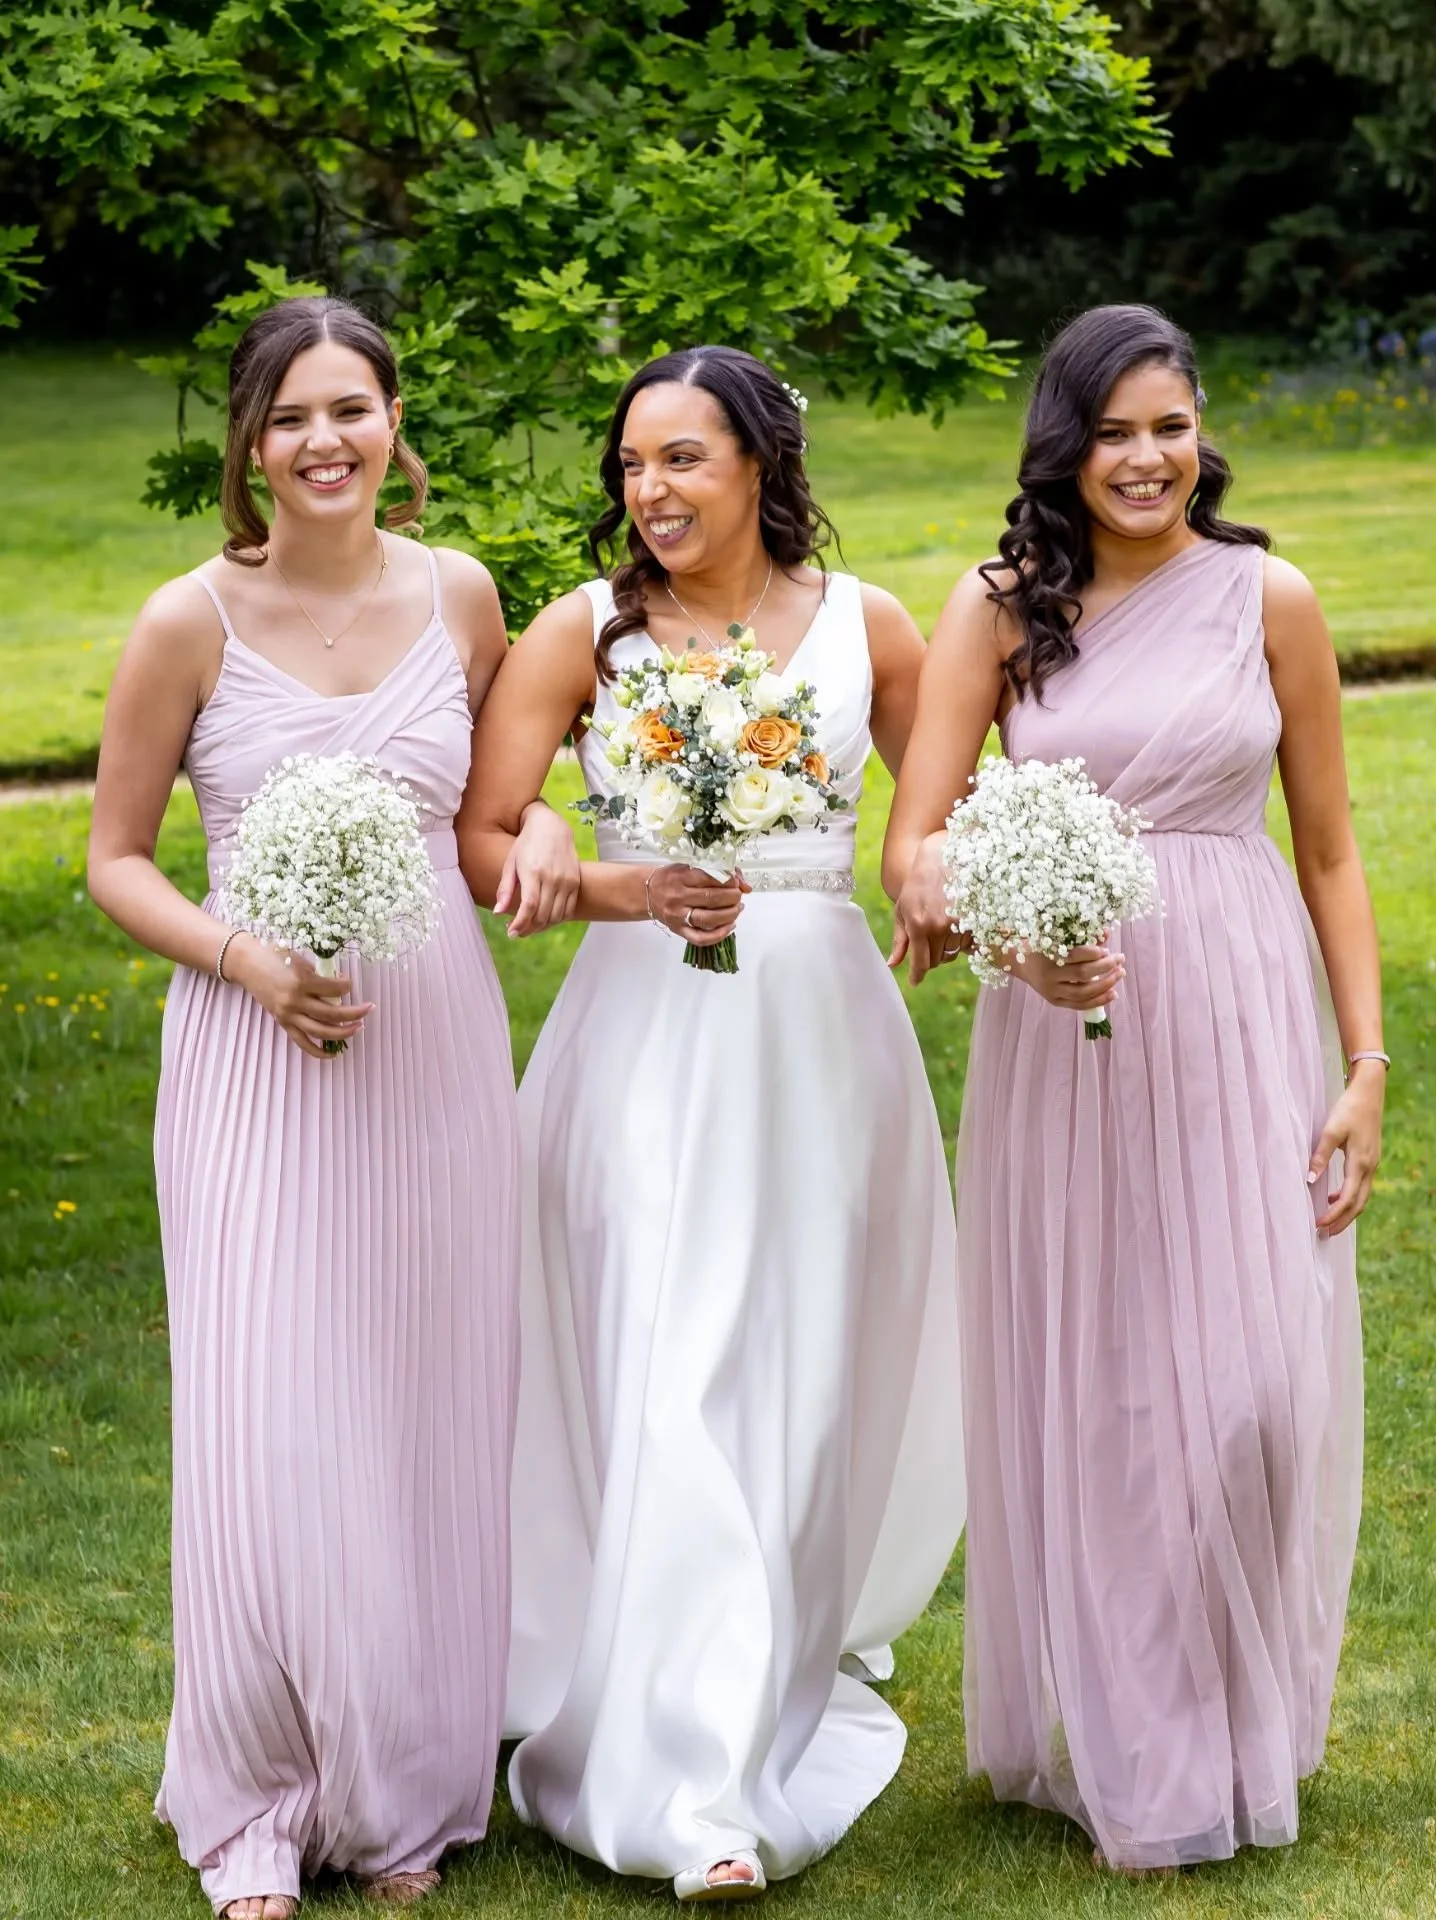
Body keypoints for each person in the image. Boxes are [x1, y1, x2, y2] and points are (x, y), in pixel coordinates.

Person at [455, 344, 966, 1902]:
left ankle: (751, 1702)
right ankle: (697, 1789)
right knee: (670, 1367)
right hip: (641, 1043)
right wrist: (601, 874)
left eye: (681, 459)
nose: (649, 491)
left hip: (820, 1044)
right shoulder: (582, 633)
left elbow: (936, 811)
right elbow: (488, 831)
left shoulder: (869, 625)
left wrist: (948, 885)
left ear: (757, 462)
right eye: (631, 465)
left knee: (793, 1381)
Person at [87, 296, 575, 1917]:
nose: (325, 442)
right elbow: (115, 862)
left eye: (353, 409)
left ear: (392, 423)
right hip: (252, 1054)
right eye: (293, 416)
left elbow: (502, 802)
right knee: (272, 1413)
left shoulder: (462, 596)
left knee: (421, 1407)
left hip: (432, 1045)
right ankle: (255, 1801)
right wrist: (244, 957)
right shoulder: (186, 623)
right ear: (247, 441)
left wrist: (559, 832)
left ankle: (401, 1793)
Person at [883, 303, 1383, 1872]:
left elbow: (1330, 849)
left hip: (1241, 1016)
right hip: (1068, 1026)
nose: (1147, 459)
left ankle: (1232, 1715)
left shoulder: (1270, 598)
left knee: (1254, 1387)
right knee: (1108, 1379)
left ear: (1201, 433)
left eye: (1170, 427)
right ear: (1064, 445)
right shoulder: (996, 607)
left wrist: (1366, 1064)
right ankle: (1139, 1747)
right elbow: (913, 851)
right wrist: (1015, 945)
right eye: (1113, 433)